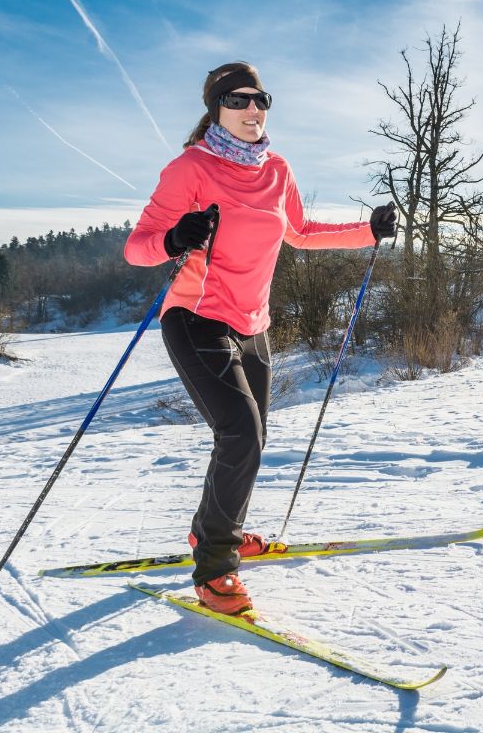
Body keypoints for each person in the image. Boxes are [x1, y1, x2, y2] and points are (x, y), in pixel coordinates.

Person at [125, 62, 397, 615]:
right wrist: (174, 238)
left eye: (261, 100)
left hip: (254, 326)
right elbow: (138, 246)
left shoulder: (277, 169)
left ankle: (213, 530)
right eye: (239, 100)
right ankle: (216, 571)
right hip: (197, 317)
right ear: (216, 108)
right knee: (240, 432)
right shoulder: (191, 167)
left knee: (250, 440)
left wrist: (367, 229)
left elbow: (299, 232)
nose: (254, 110)